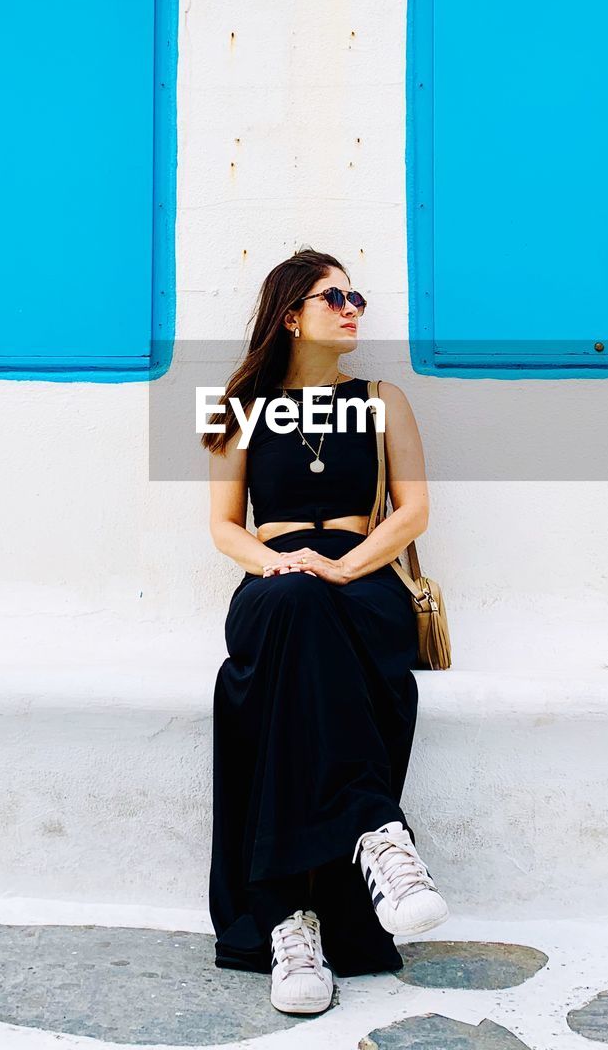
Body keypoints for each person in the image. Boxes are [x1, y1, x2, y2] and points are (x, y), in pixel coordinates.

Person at [201, 247, 448, 1016]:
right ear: (291, 315)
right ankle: (374, 829)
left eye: (357, 297)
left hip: (363, 579)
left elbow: (411, 512)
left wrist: (344, 567)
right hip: (273, 582)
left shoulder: (383, 398)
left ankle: (287, 920)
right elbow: (222, 526)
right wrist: (281, 564)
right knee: (293, 606)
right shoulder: (237, 405)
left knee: (306, 620)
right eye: (333, 296)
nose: (352, 308)